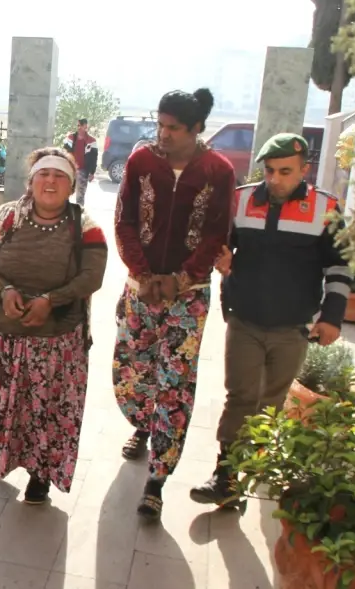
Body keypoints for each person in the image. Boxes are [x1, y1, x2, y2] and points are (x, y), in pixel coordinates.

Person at [190, 133, 352, 507]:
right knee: (241, 396)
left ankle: (253, 469)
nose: (275, 179)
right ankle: (226, 477)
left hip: (293, 326)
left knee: (270, 403)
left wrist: (332, 318)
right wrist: (223, 258)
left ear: (304, 170)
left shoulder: (325, 209)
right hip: (245, 319)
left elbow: (340, 268)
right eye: (270, 171)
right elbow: (220, 243)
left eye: (285, 171)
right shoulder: (243, 200)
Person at [112, 88, 236, 521]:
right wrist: (144, 275)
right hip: (140, 289)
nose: (162, 134)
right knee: (134, 370)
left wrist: (182, 279)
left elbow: (217, 232)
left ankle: (157, 480)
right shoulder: (140, 161)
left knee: (176, 384)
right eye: (160, 125)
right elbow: (124, 220)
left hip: (189, 297)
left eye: (173, 128)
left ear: (196, 128)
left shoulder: (218, 171)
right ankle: (142, 425)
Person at [0, 146, 108, 504]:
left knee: (47, 411)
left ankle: (40, 474)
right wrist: (4, 291)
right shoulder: (7, 216)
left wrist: (51, 300)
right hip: (1, 335)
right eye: (43, 174)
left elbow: (92, 276)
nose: (51, 181)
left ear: (71, 184)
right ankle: (9, 453)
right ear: (31, 182)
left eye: (60, 176)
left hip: (56, 341)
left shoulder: (86, 226)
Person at [63, 118, 98, 207]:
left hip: (83, 170)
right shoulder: (70, 138)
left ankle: (79, 213)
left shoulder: (91, 141)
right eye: (78, 125)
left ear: (85, 126)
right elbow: (64, 152)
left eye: (81, 126)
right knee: (65, 192)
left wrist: (92, 172)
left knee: (80, 196)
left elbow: (94, 157)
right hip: (69, 169)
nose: (79, 128)